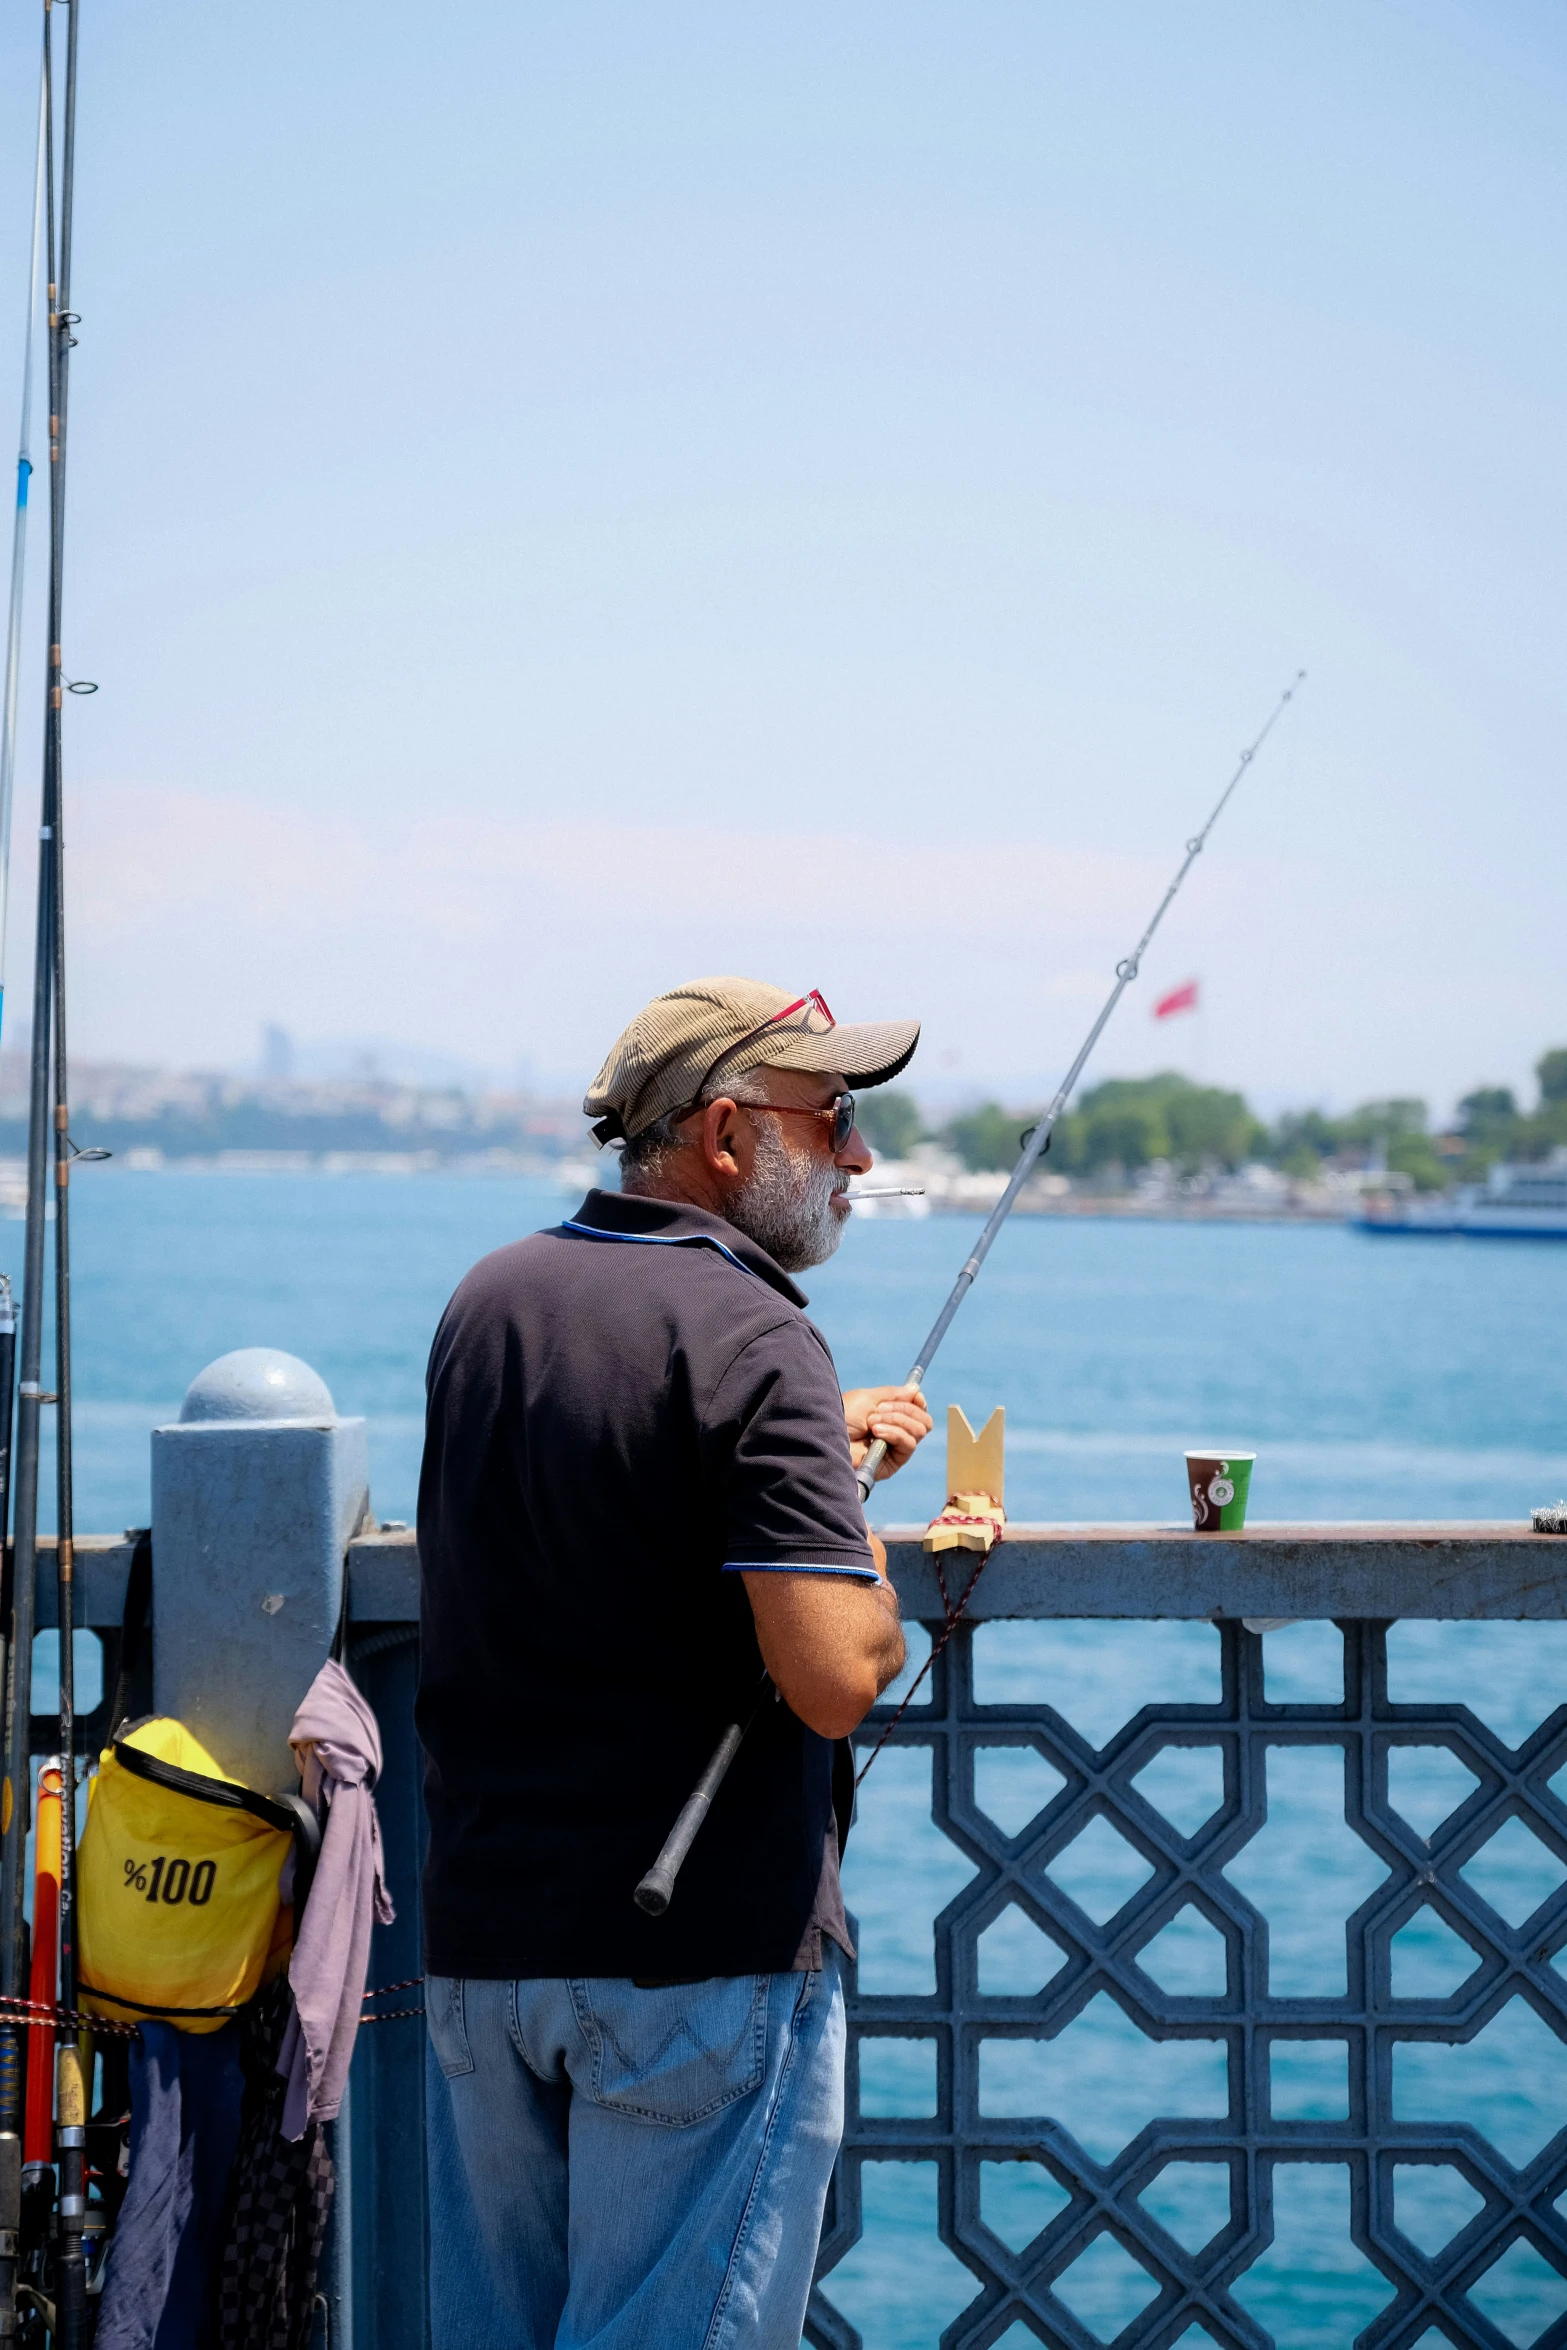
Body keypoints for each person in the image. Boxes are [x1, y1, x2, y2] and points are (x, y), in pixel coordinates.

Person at [417, 975, 933, 2349]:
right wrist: (865, 1569)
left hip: (484, 1952)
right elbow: (832, 1673)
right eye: (831, 1120)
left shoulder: (491, 1301)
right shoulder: (757, 1335)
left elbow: (615, 1505)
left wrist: (816, 1450)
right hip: (688, 1961)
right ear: (725, 1131)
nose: (859, 1159)